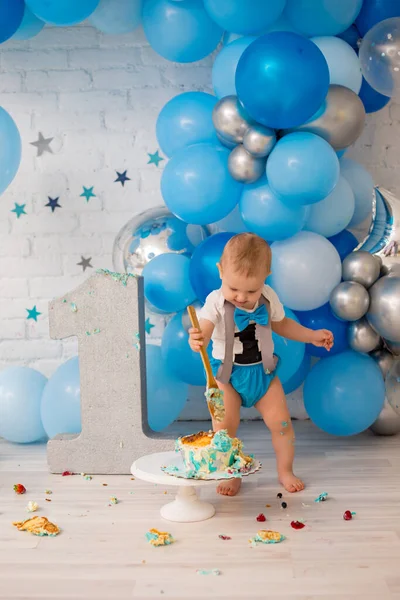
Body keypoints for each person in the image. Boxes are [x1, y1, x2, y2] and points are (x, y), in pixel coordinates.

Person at [188, 233, 333, 497]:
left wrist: (312, 336)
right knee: (225, 430)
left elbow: (282, 324)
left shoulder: (268, 297)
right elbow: (205, 327)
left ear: (266, 276)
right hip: (228, 376)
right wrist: (199, 337)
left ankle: (285, 470)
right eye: (234, 289)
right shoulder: (215, 301)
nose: (242, 297)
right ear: (221, 271)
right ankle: (233, 473)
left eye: (251, 290)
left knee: (282, 424)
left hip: (263, 373)